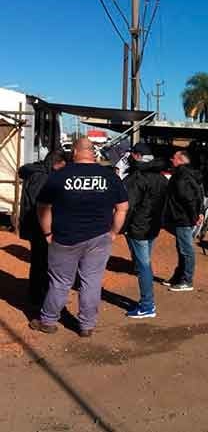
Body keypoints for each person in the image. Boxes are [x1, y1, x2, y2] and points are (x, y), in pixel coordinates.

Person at [29, 137, 129, 337]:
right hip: (99, 237)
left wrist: (47, 232)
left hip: (65, 237)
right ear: (93, 153)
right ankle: (87, 325)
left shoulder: (60, 175)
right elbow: (122, 208)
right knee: (91, 281)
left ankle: (48, 320)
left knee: (60, 281)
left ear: (74, 152)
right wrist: (113, 232)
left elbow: (43, 207)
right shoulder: (110, 176)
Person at [122, 142, 168, 318]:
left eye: (132, 154)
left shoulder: (138, 177)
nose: (130, 157)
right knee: (144, 264)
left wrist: (122, 228)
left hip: (138, 227)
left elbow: (128, 205)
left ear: (138, 156)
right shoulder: (161, 177)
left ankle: (147, 305)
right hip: (153, 226)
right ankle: (147, 303)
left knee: (143, 266)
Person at [18, 150, 67, 307]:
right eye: (63, 166)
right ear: (57, 163)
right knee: (41, 265)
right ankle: (39, 300)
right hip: (39, 227)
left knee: (40, 263)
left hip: (36, 225)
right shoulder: (43, 177)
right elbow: (41, 205)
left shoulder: (38, 172)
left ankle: (38, 297)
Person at [163, 150, 204, 292]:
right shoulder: (187, 174)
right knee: (182, 249)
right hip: (182, 217)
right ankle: (179, 276)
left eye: (173, 157)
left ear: (180, 160)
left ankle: (187, 280)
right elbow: (197, 195)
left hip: (183, 218)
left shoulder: (182, 176)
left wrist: (194, 216)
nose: (171, 159)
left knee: (186, 250)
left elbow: (188, 199)